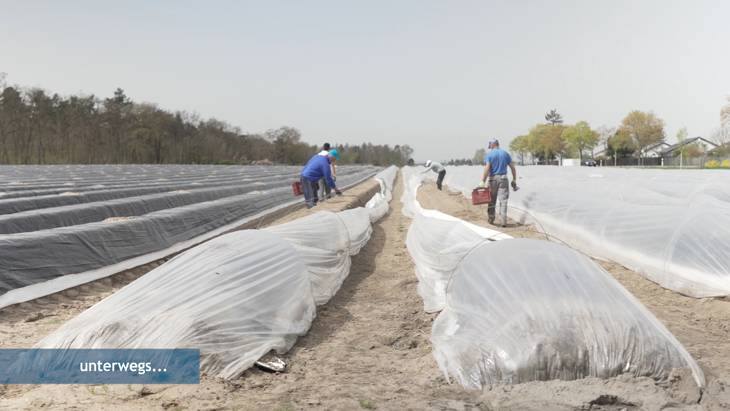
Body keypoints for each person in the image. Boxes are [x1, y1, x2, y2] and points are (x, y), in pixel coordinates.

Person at [479, 139, 518, 227]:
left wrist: (483, 181)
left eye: (490, 146)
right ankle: (503, 221)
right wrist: (514, 179)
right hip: (503, 178)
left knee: (491, 200)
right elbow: (512, 167)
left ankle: (491, 219)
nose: (490, 148)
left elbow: (487, 168)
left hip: (492, 179)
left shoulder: (489, 155)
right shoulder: (505, 153)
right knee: (503, 201)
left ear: (492, 145)